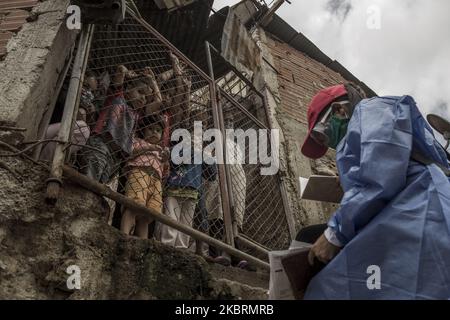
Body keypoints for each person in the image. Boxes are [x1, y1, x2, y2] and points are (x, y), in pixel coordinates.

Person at [299, 83, 450, 299]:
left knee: (331, 287)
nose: (328, 144)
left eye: (320, 135)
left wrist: (335, 233)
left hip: (423, 215)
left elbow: (380, 174)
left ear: (340, 110)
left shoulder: (371, 109)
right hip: (410, 215)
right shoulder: (365, 126)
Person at [120, 115, 169, 239]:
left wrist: (165, 161)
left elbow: (164, 172)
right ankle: (124, 236)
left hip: (155, 180)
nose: (154, 132)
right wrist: (149, 148)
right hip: (139, 172)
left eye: (158, 131)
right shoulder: (138, 141)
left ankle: (143, 240)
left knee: (148, 213)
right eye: (151, 129)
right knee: (134, 204)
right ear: (143, 130)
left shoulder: (160, 151)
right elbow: (131, 152)